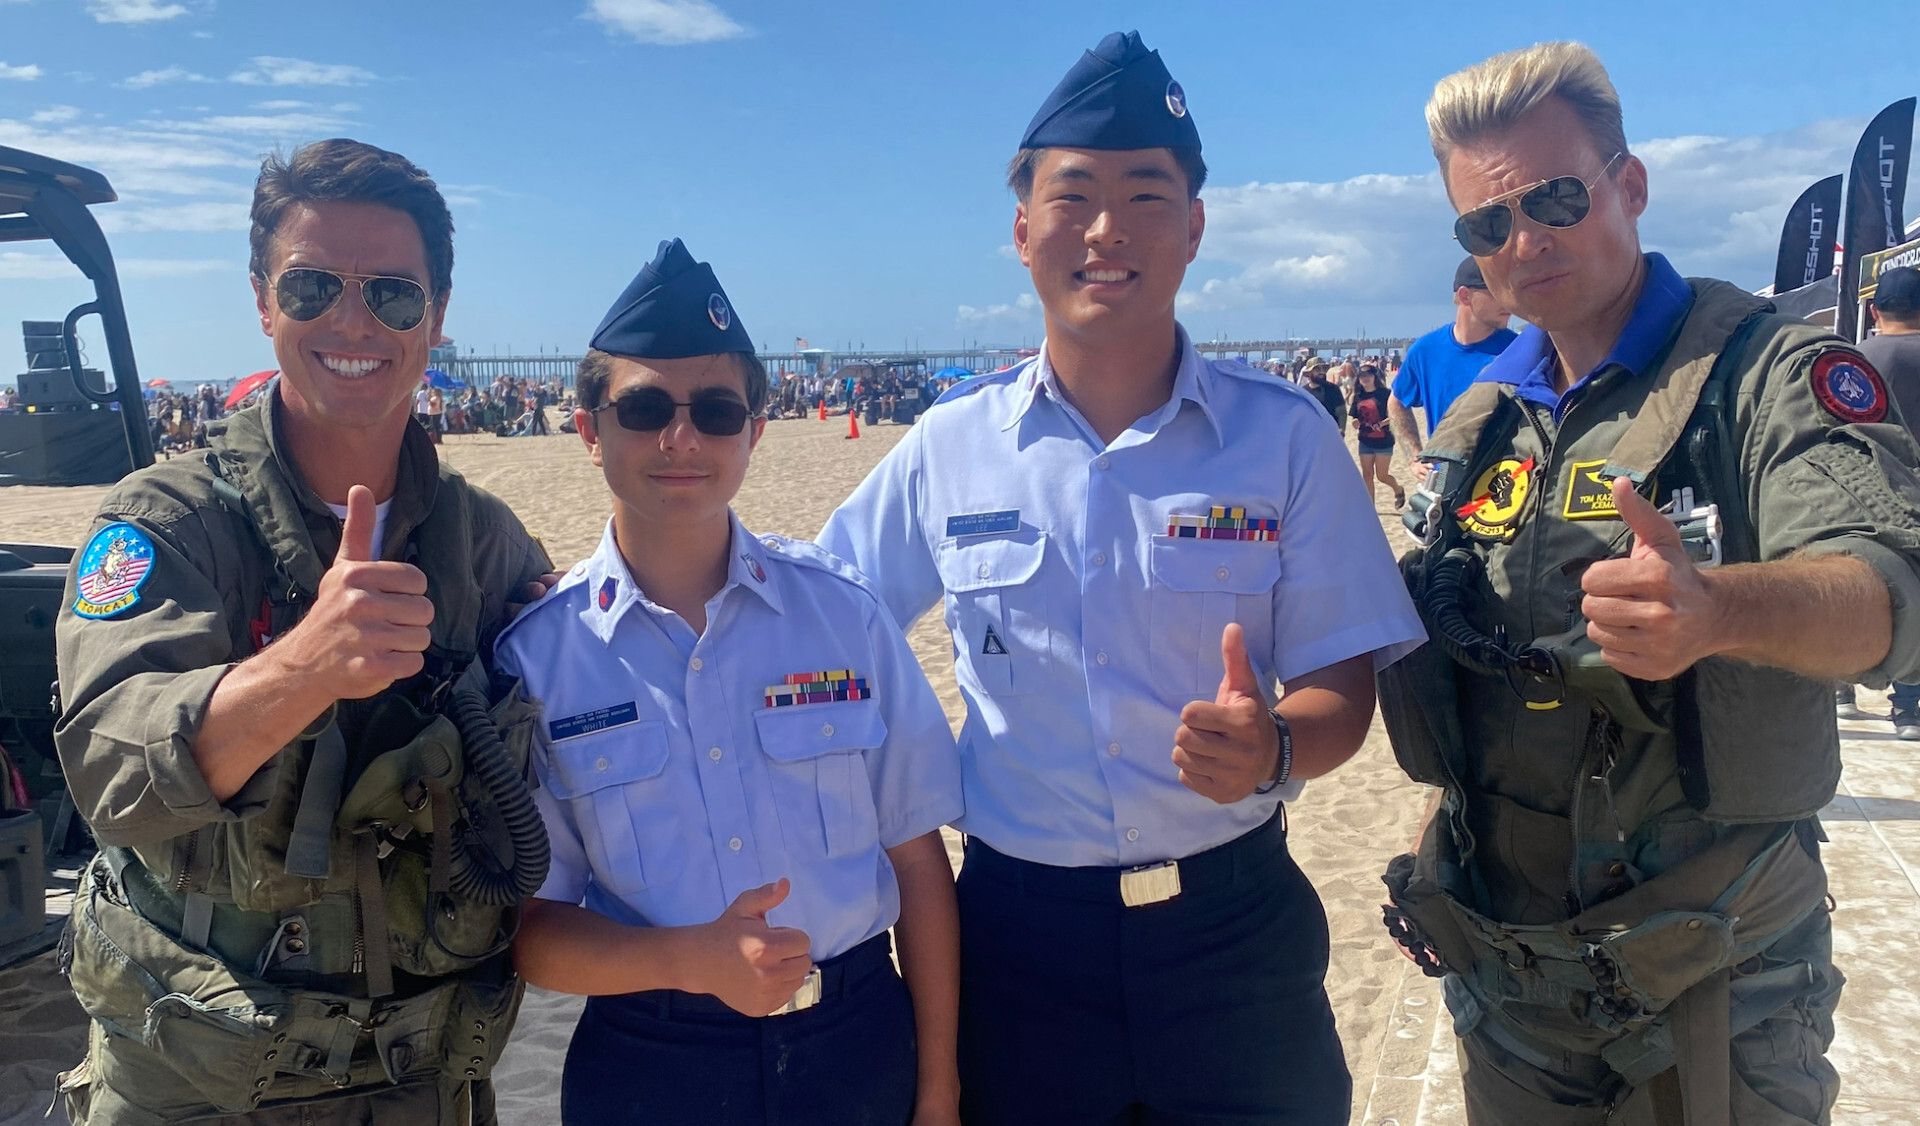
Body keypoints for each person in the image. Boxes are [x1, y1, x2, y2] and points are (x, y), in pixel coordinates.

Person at [819, 30, 1425, 1125]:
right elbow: (821, 604)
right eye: (1074, 196)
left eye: (1147, 195)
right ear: (1021, 231)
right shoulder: (951, 445)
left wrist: (1274, 747)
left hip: (1232, 938)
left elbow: (1344, 684)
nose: (1107, 230)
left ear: (1194, 228)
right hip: (1018, 946)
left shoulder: (1284, 438)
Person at [1376, 42, 1920, 1124]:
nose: (1524, 240)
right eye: (1486, 224)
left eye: (1555, 199)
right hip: (1512, 991)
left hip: (1713, 978)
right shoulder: (1481, 424)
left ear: (1628, 185)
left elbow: (1890, 589)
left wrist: (1719, 611)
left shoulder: (1763, 373)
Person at [51, 138, 557, 1125]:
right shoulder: (166, 524)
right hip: (201, 1085)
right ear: (262, 301)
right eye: (313, 286)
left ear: (436, 316)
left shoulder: (482, 542)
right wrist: (302, 670)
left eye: (394, 295)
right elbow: (112, 775)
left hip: (421, 1081)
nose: (353, 322)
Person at [499, 239, 962, 1126]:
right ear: (589, 429)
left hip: (856, 1043)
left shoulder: (844, 616)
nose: (681, 439)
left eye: (715, 411)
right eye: (645, 408)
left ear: (754, 431)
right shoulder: (538, 659)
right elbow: (533, 928)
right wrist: (689, 960)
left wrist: (939, 1086)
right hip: (652, 1062)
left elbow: (918, 862)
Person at [1839, 265, 1920, 738]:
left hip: (1860, 491)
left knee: (1853, 584)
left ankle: (1841, 688)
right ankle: (1908, 708)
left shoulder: (1851, 358)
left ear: (1873, 311)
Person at [1389, 256, 1516, 458]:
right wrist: (1414, 456)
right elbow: (1396, 402)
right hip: (1446, 471)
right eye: (1496, 290)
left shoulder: (1518, 350)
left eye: (1510, 290)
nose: (1509, 300)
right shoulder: (1425, 350)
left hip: (1506, 471)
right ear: (1465, 296)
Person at [1349, 360, 1403, 508]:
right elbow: (1355, 416)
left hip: (1384, 441)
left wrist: (1382, 423)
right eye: (1362, 376)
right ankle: (1370, 508)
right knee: (1367, 475)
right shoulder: (1358, 396)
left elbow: (1395, 415)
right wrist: (1355, 422)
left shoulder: (1385, 394)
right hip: (1365, 441)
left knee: (1382, 476)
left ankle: (1398, 489)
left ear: (1374, 377)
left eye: (1368, 375)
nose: (1365, 378)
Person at [1301, 356, 1347, 432]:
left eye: (1324, 369)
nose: (1322, 372)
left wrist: (1341, 430)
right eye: (1317, 369)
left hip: (1329, 433)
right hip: (1310, 433)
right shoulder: (1304, 392)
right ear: (1309, 373)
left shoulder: (1333, 389)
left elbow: (1341, 413)